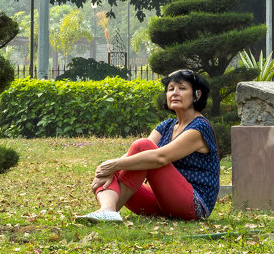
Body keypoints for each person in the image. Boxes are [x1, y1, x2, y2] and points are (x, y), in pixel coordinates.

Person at [77, 69, 220, 223]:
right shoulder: (167, 125)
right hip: (163, 203)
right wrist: (110, 170)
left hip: (194, 205)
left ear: (197, 95)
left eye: (182, 88)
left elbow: (160, 157)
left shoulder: (200, 127)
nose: (174, 93)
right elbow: (134, 157)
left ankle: (109, 209)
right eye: (170, 89)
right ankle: (108, 210)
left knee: (139, 148)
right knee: (114, 168)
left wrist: (116, 165)